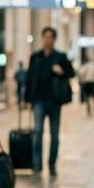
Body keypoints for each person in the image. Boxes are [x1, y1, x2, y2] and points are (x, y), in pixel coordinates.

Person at [23, 27, 75, 175]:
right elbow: (29, 78)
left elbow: (71, 73)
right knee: (38, 132)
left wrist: (62, 71)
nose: (48, 40)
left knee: (55, 135)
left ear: (54, 39)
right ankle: (37, 164)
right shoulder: (36, 57)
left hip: (55, 101)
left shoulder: (60, 57)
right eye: (45, 37)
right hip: (38, 100)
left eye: (51, 37)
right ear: (42, 38)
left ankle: (52, 163)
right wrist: (26, 99)